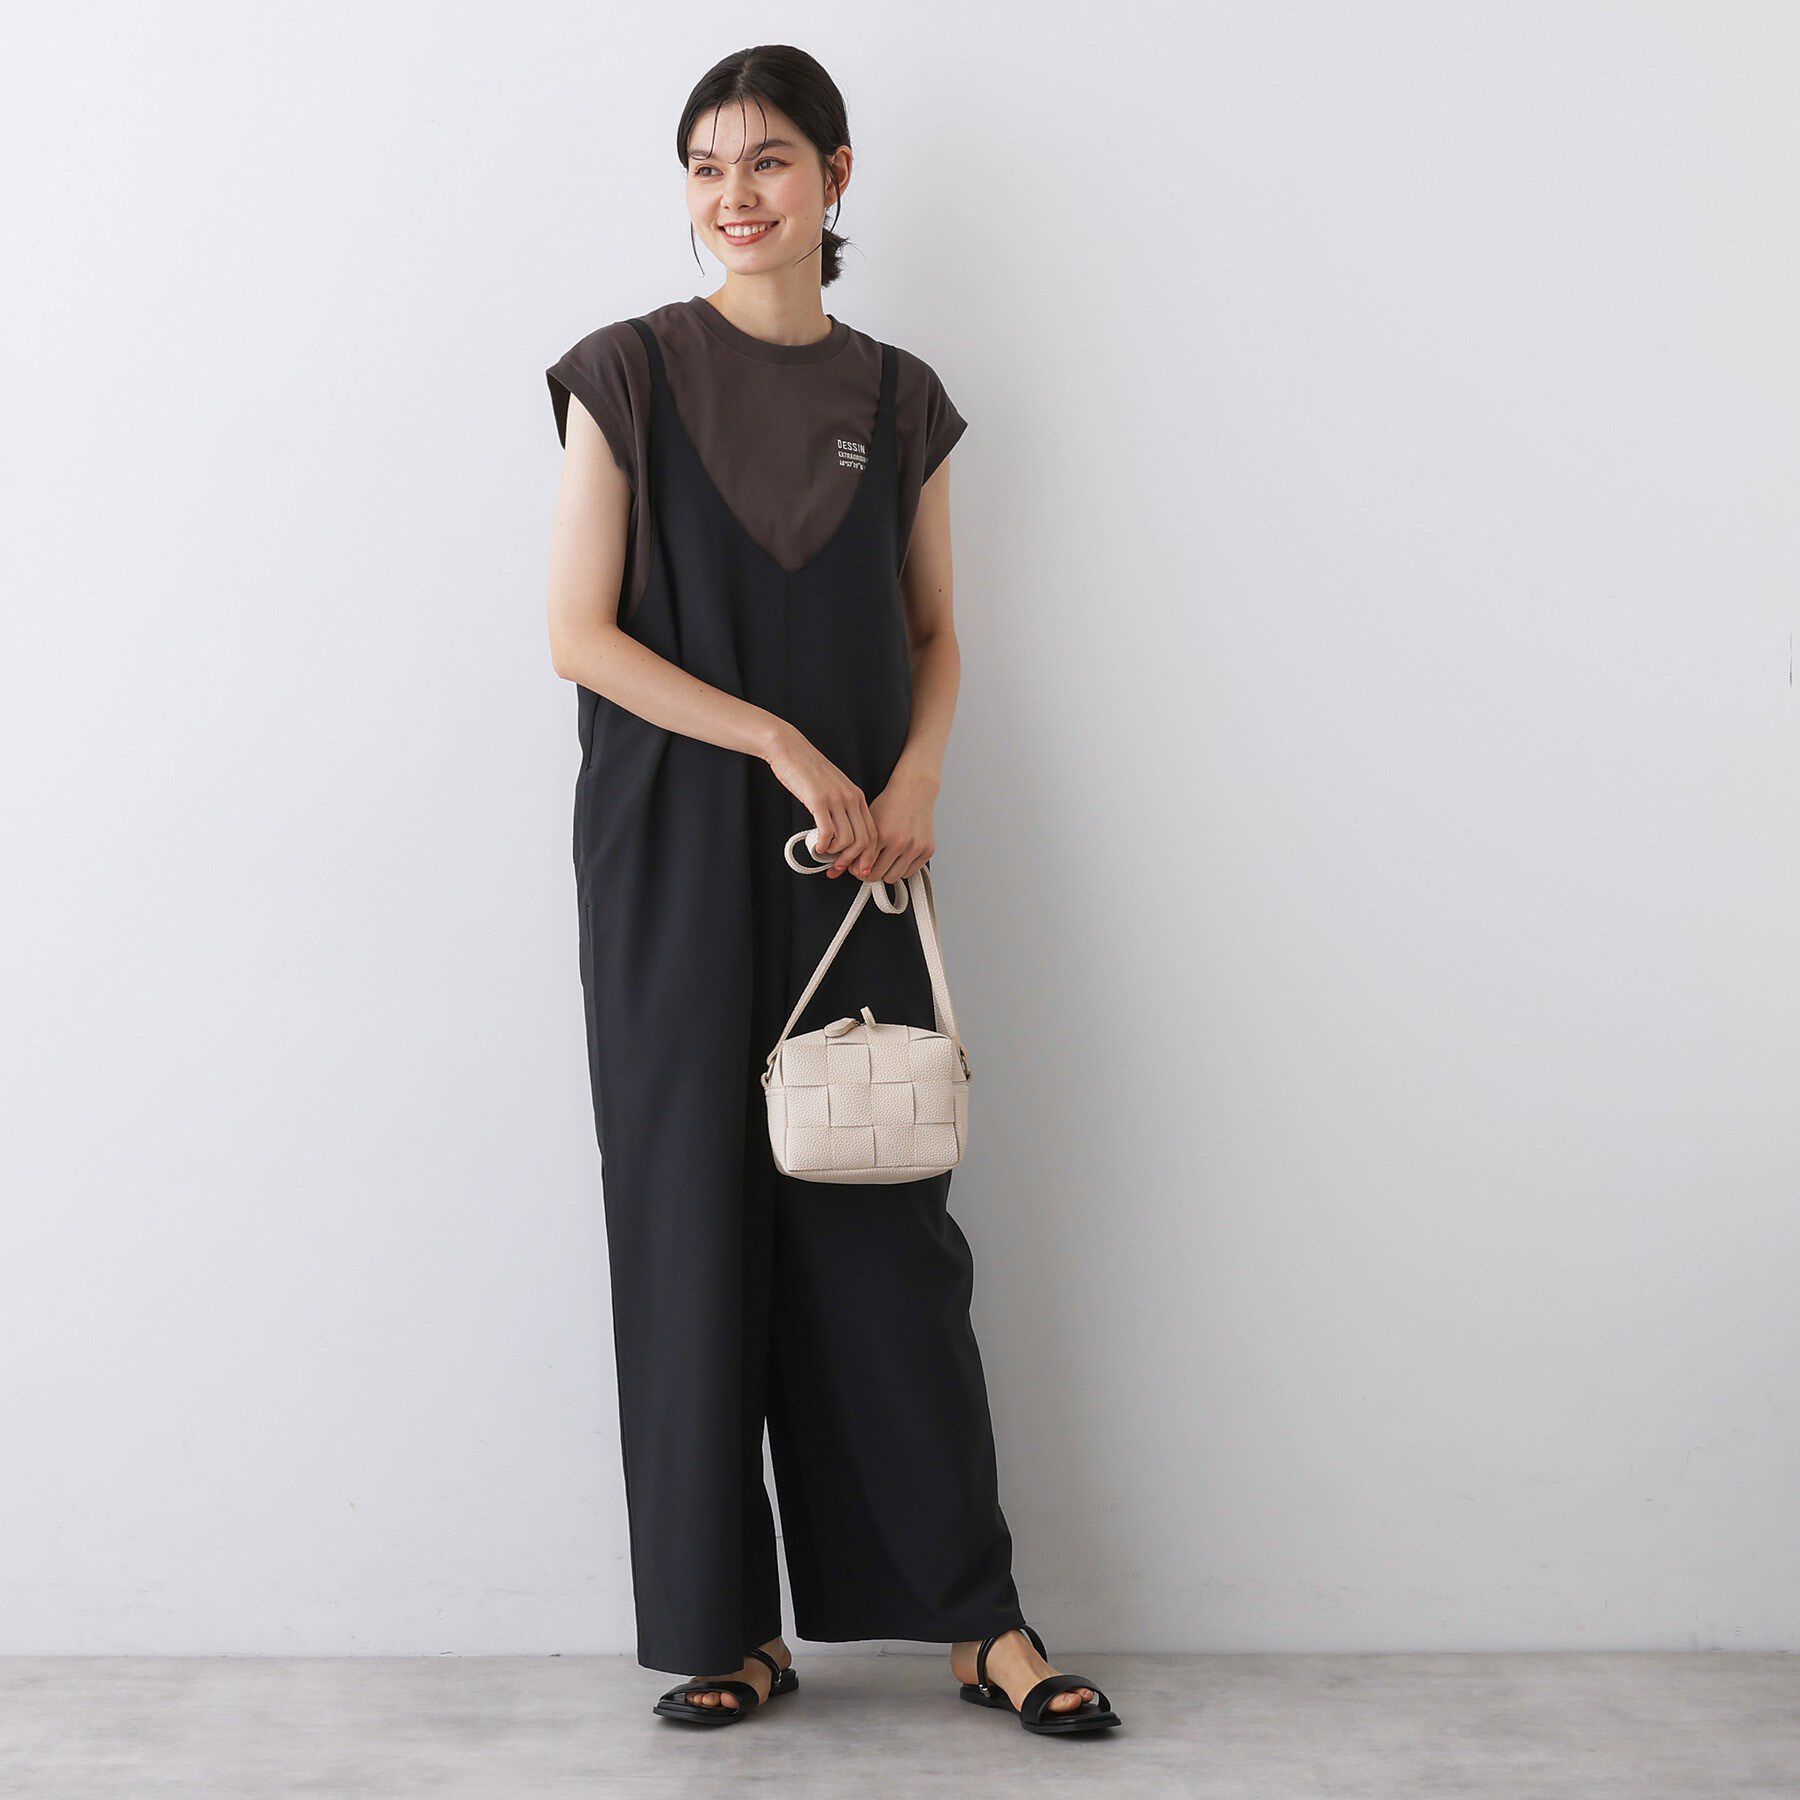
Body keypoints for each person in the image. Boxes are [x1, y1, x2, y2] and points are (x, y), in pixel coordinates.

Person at [543, 44, 1120, 1739]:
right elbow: (577, 635)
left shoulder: (903, 399)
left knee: (884, 1224)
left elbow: (938, 635)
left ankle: (976, 1621)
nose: (736, 194)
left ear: (837, 178)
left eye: (770, 160)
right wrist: (779, 740)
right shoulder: (623, 375)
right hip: (669, 848)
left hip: (860, 857)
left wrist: (918, 775)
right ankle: (729, 1630)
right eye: (707, 165)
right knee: (687, 1223)